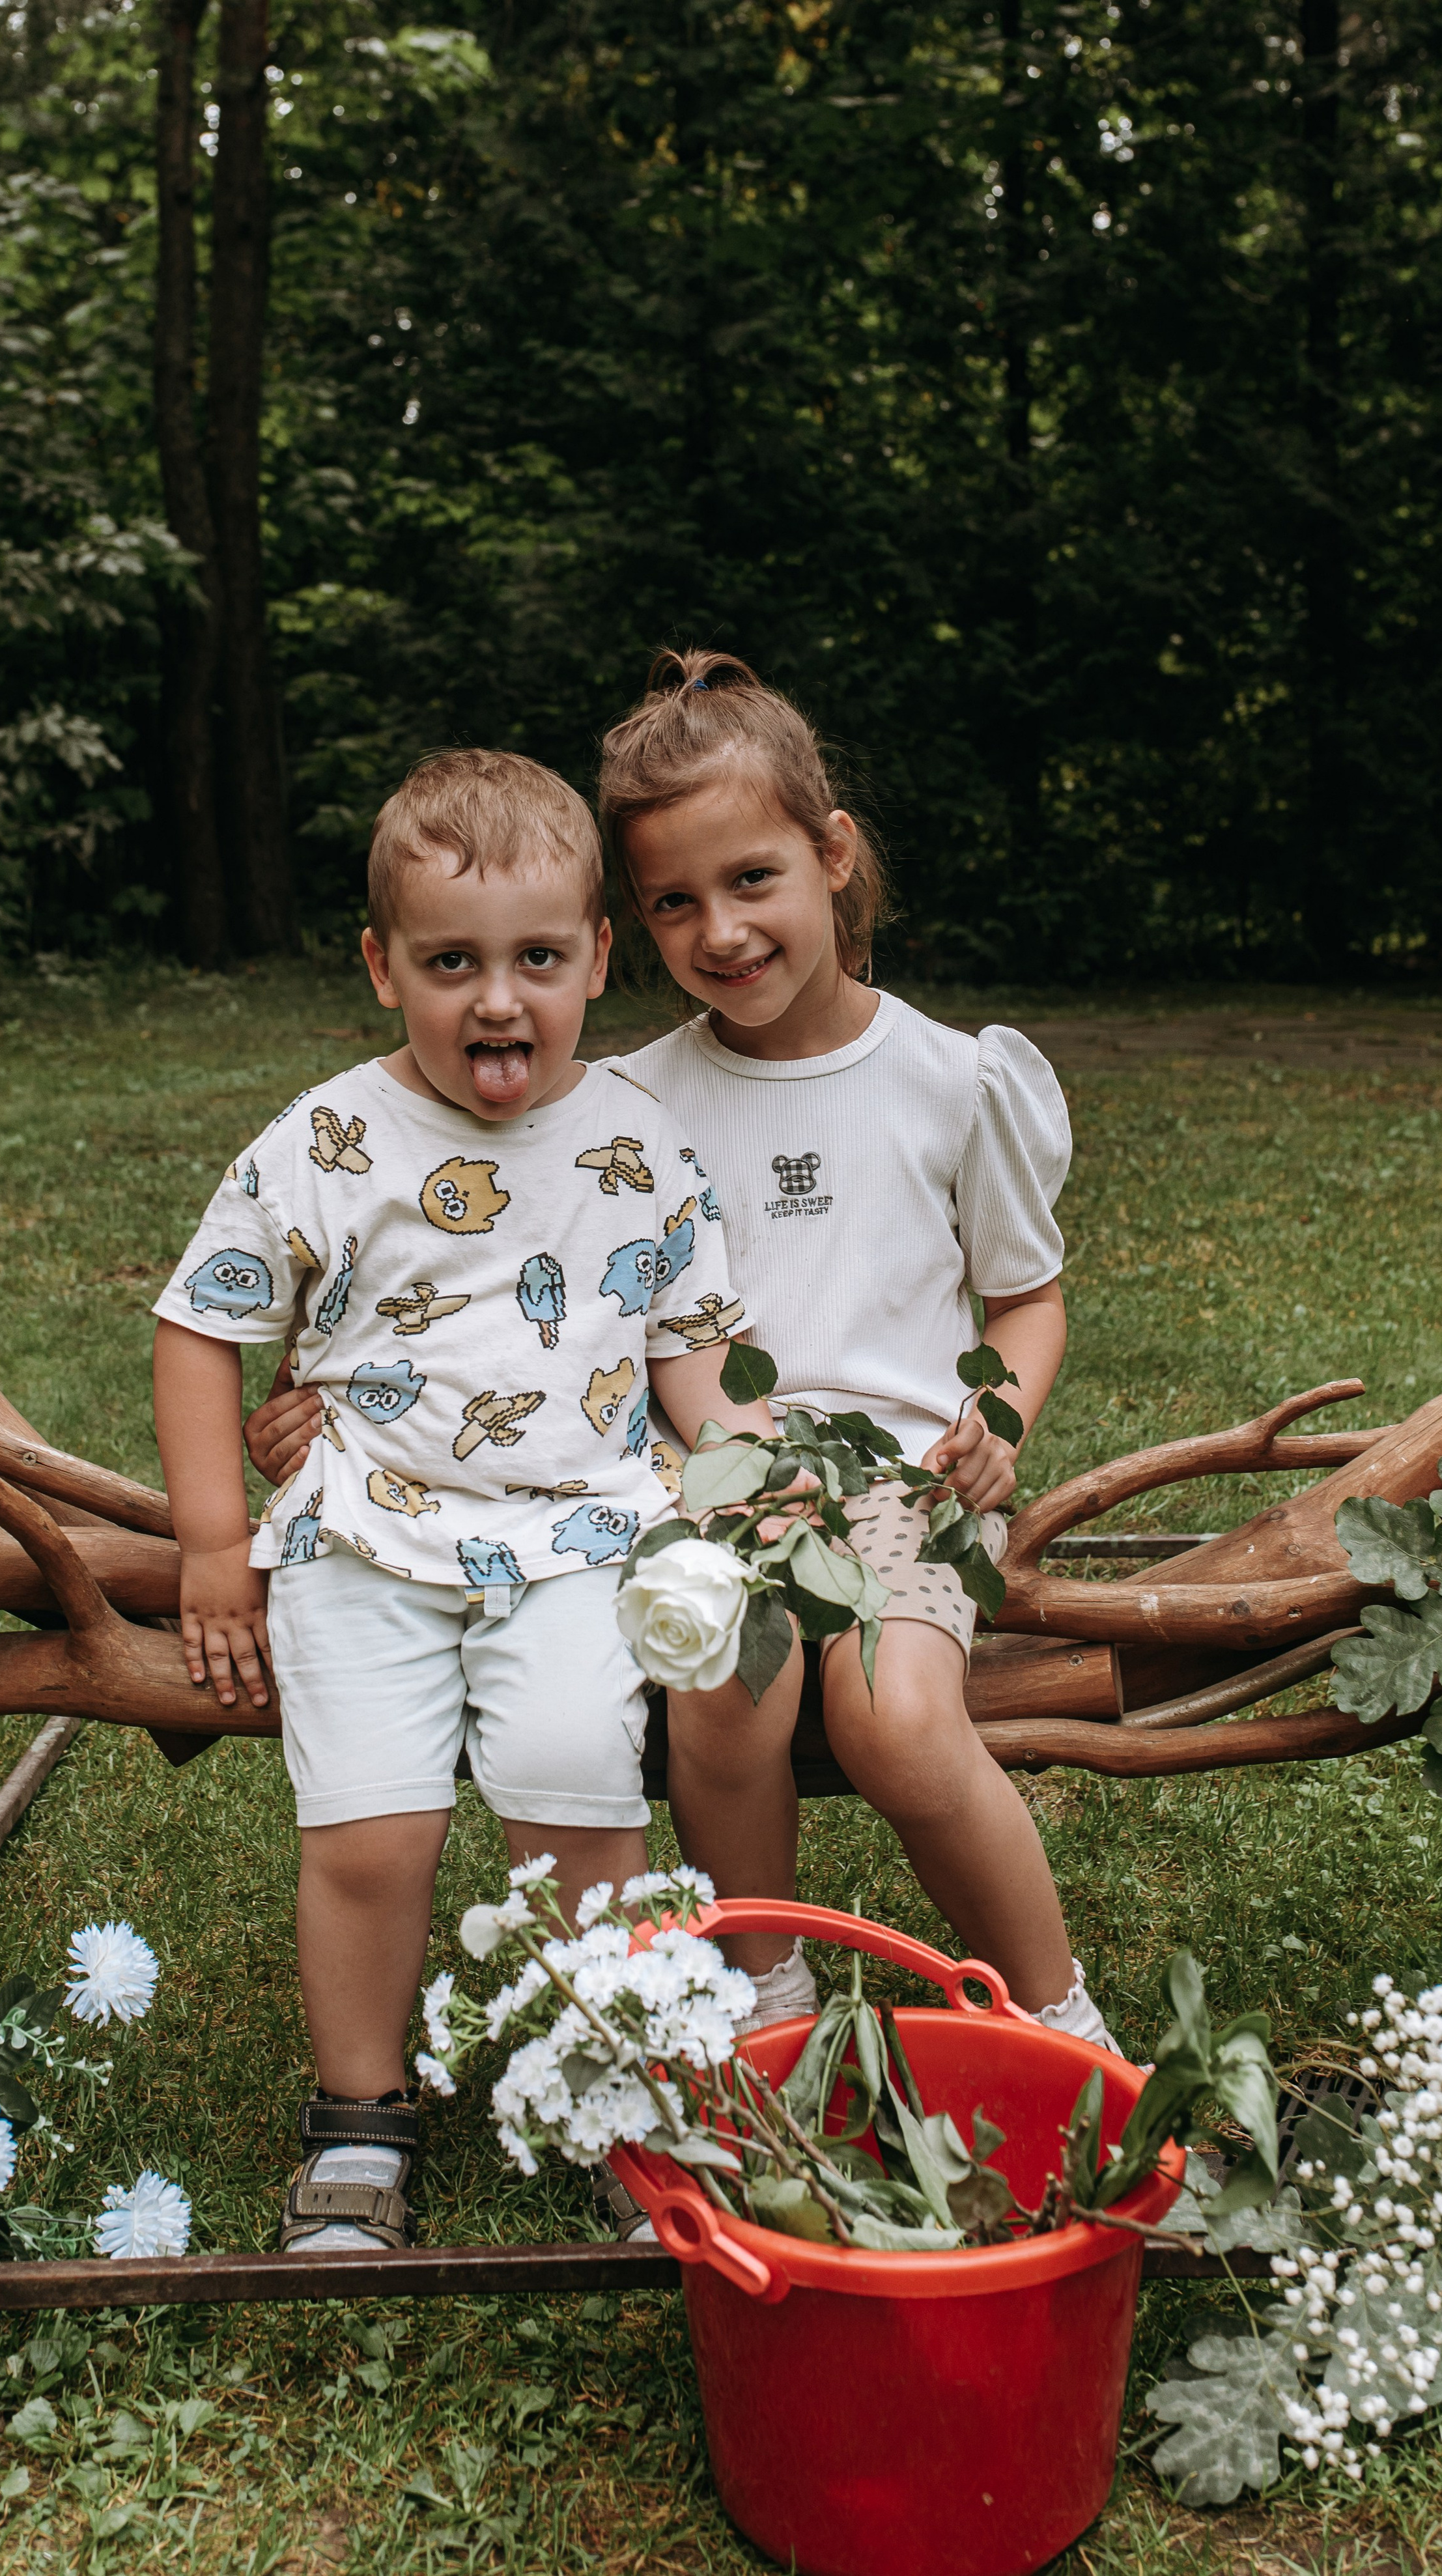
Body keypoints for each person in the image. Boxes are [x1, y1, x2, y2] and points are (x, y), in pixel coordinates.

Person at [245, 656, 1113, 2052]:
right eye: (671, 901)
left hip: (901, 1474)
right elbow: (470, 1287)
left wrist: (997, 1410)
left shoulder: (952, 1082)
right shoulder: (626, 1097)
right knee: (717, 1676)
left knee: (890, 1716)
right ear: (624, 927)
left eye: (752, 878)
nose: (719, 929)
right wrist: (316, 1407)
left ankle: (1057, 2010)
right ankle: (755, 1988)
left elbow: (1027, 1296)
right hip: (681, 1474)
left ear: (831, 857)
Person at [154, 746, 773, 2256]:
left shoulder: (633, 1141)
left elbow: (691, 1345)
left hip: (578, 1537)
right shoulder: (328, 1141)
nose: (497, 1000)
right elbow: (198, 1327)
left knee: (579, 1795)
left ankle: (615, 2089)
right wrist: (214, 1547)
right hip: (365, 1528)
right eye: (450, 963)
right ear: (382, 967)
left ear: (594, 959)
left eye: (536, 960)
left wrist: (750, 1473)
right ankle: (362, 2120)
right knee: (371, 1834)